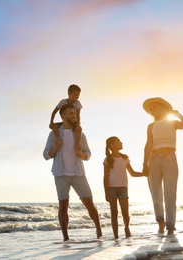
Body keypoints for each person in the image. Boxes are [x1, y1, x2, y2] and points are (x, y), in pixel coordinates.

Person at [43, 104, 102, 241]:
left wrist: (81, 154)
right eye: (71, 114)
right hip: (60, 175)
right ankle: (66, 239)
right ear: (63, 115)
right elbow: (46, 155)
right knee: (63, 205)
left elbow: (88, 154)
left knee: (89, 204)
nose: (74, 116)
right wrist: (56, 147)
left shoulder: (80, 134)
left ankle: (99, 233)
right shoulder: (53, 135)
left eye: (75, 114)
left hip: (78, 175)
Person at [142, 97, 183, 235]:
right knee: (156, 196)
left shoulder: (173, 122)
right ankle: (161, 224)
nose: (152, 111)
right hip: (153, 160)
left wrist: (178, 114)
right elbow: (148, 145)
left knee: (170, 196)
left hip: (170, 160)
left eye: (154, 107)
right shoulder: (151, 126)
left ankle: (170, 227)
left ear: (162, 108)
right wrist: (145, 164)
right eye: (151, 109)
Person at [104, 136, 148, 239]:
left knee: (125, 212)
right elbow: (105, 177)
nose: (121, 143)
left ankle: (127, 228)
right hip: (112, 189)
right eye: (118, 142)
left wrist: (144, 174)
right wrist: (106, 193)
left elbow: (132, 173)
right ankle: (115, 236)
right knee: (114, 213)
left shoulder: (125, 158)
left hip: (123, 188)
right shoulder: (108, 159)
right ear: (112, 146)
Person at [49, 84, 83, 150]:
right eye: (76, 94)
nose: (77, 97)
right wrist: (51, 122)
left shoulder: (77, 103)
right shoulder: (63, 102)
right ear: (69, 93)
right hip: (65, 121)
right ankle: (57, 137)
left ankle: (78, 143)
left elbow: (78, 115)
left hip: (74, 122)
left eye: (78, 95)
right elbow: (54, 111)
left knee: (79, 129)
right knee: (54, 126)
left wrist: (77, 125)